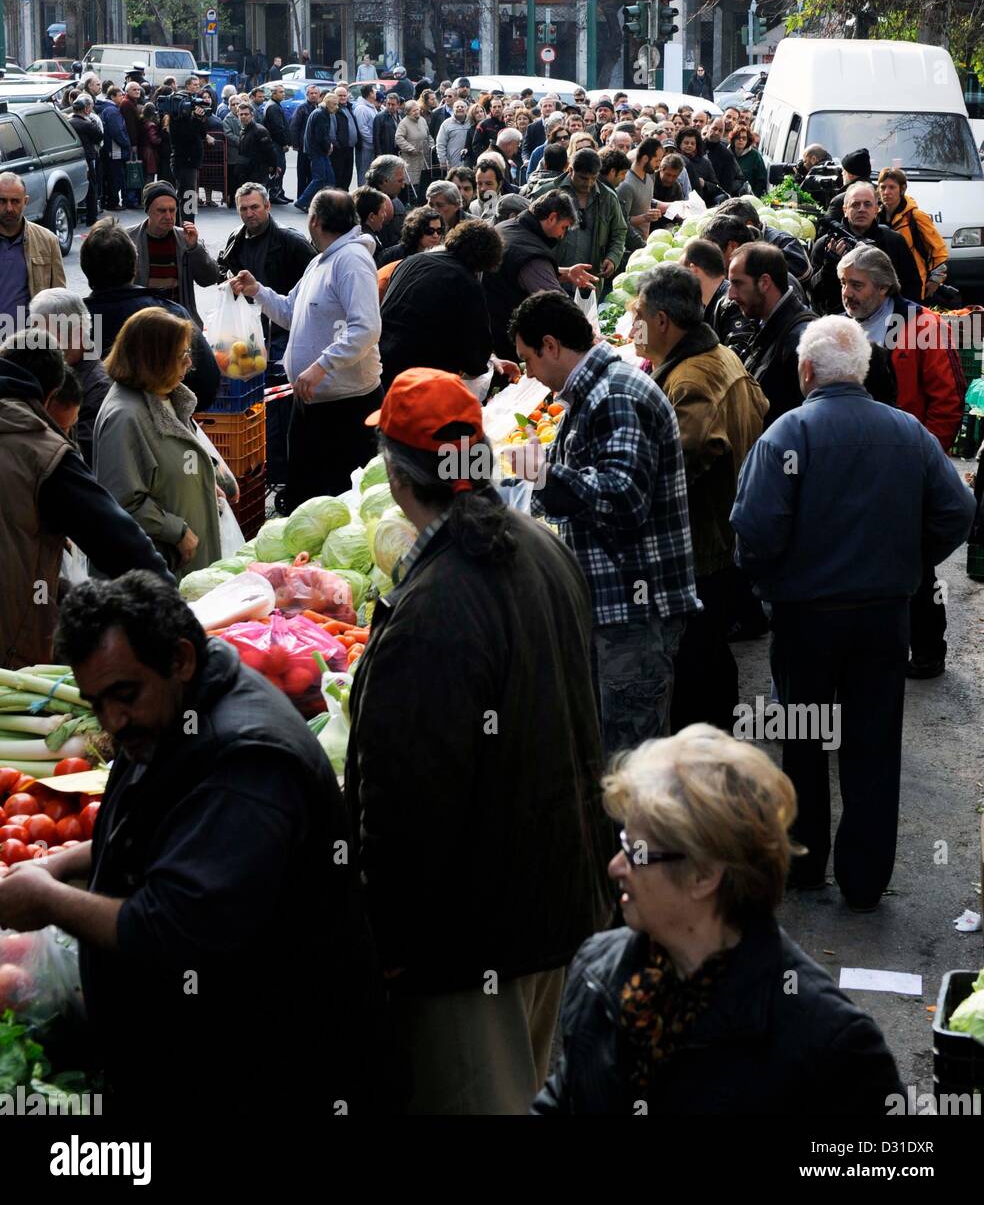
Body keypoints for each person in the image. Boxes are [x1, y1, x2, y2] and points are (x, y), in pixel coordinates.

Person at [0, 572, 395, 1114]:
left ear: (181, 659)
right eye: (97, 703)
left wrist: (46, 899)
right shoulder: (177, 715)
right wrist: (56, 864)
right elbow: (152, 828)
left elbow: (170, 929)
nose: (113, 720)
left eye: (125, 694)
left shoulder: (246, 760)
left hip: (277, 1080)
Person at [344, 369, 608, 1114]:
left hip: (475, 943)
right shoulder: (542, 546)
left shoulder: (432, 609)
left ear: (398, 477)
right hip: (554, 904)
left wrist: (389, 948)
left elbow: (405, 806)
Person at [532, 726, 906, 1114]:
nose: (615, 867)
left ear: (704, 875)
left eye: (636, 852)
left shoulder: (830, 1047)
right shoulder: (599, 971)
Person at [731, 317, 975, 911]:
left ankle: (806, 864)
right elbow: (957, 509)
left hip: (807, 617)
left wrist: (774, 585)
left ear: (806, 371)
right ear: (863, 370)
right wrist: (910, 565)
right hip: (880, 616)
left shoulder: (789, 434)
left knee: (806, 739)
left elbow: (755, 530)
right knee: (872, 742)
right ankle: (864, 880)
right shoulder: (908, 434)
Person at [507, 291, 699, 753]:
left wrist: (544, 475)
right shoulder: (591, 392)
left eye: (527, 358)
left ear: (551, 345)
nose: (528, 372)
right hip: (612, 606)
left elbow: (623, 496)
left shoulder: (614, 395)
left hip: (634, 613)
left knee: (630, 760)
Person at [631, 266, 767, 732]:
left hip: (704, 541)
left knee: (695, 658)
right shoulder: (719, 354)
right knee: (708, 650)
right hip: (725, 530)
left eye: (639, 317)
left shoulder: (691, 381)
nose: (633, 329)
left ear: (663, 320)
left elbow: (675, 470)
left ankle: (704, 758)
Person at [0, 334, 171, 668]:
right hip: (11, 654)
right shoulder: (41, 450)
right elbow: (121, 543)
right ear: (50, 394)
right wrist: (171, 603)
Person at [838, 244, 965, 678]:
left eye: (857, 285)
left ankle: (928, 648)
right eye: (843, 284)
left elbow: (948, 401)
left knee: (916, 564)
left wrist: (926, 459)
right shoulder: (843, 328)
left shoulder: (923, 327)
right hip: (858, 467)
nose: (847, 294)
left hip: (908, 464)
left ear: (885, 286)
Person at [229, 189, 382, 506]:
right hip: (311, 402)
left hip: (346, 407)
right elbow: (288, 311)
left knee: (343, 500)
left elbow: (366, 328)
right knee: (305, 496)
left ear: (314, 220)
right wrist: (257, 290)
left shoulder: (351, 261)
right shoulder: (319, 262)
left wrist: (321, 366)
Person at [94, 308, 238, 578]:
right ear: (154, 360)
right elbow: (121, 501)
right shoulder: (124, 417)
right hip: (160, 574)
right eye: (182, 355)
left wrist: (204, 481)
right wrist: (177, 531)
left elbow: (173, 463)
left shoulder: (163, 394)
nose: (190, 364)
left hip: (185, 569)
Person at [80, 219, 220, 413]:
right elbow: (207, 384)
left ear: (85, 267)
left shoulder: (70, 323)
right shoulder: (170, 315)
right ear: (134, 265)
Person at [379, 219, 511, 389]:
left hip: (382, 359)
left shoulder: (412, 261)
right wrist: (485, 364)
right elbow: (476, 350)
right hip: (422, 376)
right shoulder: (466, 282)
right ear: (487, 260)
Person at [483, 190, 593, 359]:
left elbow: (522, 274)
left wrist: (566, 272)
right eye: (563, 228)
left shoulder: (507, 226)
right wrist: (589, 335)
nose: (562, 235)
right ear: (551, 218)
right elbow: (558, 306)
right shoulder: (531, 255)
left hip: (489, 329)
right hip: (509, 343)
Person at [217, 182, 316, 368]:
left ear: (267, 206)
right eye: (243, 208)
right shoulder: (236, 237)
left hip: (282, 329)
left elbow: (315, 281)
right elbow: (222, 268)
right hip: (248, 328)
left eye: (254, 207)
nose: (249, 213)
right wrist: (228, 280)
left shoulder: (291, 241)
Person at [728, 241, 817, 427]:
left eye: (737, 284)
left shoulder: (800, 342)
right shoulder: (768, 325)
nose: (731, 294)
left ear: (764, 283)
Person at [28, 288, 110, 467]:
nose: (36, 343)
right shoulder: (47, 368)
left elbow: (82, 456)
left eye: (45, 335)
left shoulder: (98, 386)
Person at [810, 182, 921, 313]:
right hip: (841, 324)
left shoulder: (894, 240)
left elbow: (912, 287)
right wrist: (829, 267)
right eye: (855, 204)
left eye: (867, 204)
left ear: (876, 209)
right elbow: (814, 295)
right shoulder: (825, 245)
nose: (861, 209)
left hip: (888, 322)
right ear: (845, 210)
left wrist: (900, 320)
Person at [127, 181, 221, 327]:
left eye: (172, 210)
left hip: (180, 324)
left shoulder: (186, 239)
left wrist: (195, 248)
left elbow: (210, 278)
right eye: (161, 210)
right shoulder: (128, 239)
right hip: (141, 325)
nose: (168, 216)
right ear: (148, 211)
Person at [545, 149, 627, 296]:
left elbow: (619, 231)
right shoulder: (549, 193)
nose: (588, 184)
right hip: (552, 278)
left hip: (589, 282)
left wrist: (613, 258)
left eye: (593, 178)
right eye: (583, 178)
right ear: (570, 170)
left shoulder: (608, 198)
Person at [0, 171, 66, 326]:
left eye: (15, 201)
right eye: (2, 201)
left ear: (25, 201)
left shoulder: (47, 241)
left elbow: (60, 298)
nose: (9, 208)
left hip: (32, 342)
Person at [876, 166, 948, 303]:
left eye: (892, 187)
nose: (886, 192)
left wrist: (935, 280)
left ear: (902, 189)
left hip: (912, 286)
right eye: (883, 187)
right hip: (883, 286)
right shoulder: (875, 217)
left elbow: (939, 251)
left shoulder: (916, 216)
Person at [679, 236, 758, 359]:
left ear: (693, 270)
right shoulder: (705, 304)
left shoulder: (732, 304)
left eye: (680, 273)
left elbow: (740, 353)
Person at [167, 76, 212, 223]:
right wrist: (196, 119)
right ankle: (187, 227)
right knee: (189, 196)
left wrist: (199, 118)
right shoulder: (177, 120)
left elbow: (200, 133)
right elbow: (188, 136)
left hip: (190, 162)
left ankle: (184, 225)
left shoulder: (189, 118)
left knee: (186, 195)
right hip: (185, 162)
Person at [376, 206, 446, 298]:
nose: (436, 235)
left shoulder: (442, 257)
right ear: (416, 230)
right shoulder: (391, 255)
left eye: (439, 231)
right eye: (429, 231)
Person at [294, 92, 340, 211]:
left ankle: (328, 202)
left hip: (318, 151)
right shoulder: (321, 114)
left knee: (329, 178)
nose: (337, 107)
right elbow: (321, 136)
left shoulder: (321, 112)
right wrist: (328, 147)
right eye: (335, 104)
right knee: (320, 178)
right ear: (328, 103)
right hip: (317, 151)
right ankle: (303, 201)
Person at [617, 137, 665, 245]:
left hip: (645, 240)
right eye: (657, 161)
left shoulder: (650, 175)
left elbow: (645, 199)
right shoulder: (626, 185)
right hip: (630, 245)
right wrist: (645, 218)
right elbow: (621, 221)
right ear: (645, 159)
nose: (659, 165)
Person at [68, 96, 102, 227]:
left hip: (72, 158)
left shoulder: (68, 123)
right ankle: (91, 218)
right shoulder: (87, 124)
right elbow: (99, 136)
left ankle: (74, 219)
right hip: (87, 157)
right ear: (86, 109)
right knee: (91, 187)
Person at [366, 155, 409, 248]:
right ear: (384, 181)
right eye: (400, 181)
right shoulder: (363, 206)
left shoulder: (397, 202)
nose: (403, 186)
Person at [395, 98, 433, 200]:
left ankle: (422, 200)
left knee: (424, 179)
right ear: (408, 112)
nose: (417, 112)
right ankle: (412, 201)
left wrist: (431, 144)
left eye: (417, 109)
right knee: (413, 181)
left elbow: (428, 135)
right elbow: (398, 138)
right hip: (411, 157)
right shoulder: (404, 123)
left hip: (424, 155)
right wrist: (410, 148)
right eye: (414, 110)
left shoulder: (422, 120)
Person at [290, 83, 323, 197]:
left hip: (315, 147)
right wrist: (295, 144)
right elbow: (294, 126)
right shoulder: (302, 108)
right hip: (303, 146)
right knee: (303, 173)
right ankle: (301, 197)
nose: (313, 95)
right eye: (311, 93)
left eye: (315, 93)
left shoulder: (319, 107)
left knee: (313, 174)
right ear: (307, 95)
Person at [262, 83, 292, 203]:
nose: (283, 94)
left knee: (281, 168)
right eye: (281, 92)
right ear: (273, 94)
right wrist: (284, 143)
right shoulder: (273, 107)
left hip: (276, 143)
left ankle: (280, 192)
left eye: (283, 92)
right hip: (276, 144)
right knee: (278, 169)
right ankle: (275, 194)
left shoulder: (275, 105)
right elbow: (277, 128)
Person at [702, 118, 746, 198]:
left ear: (723, 134)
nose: (716, 133)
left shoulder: (726, 155)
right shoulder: (697, 146)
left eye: (720, 131)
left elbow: (726, 186)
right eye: (714, 129)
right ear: (708, 128)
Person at [331, 83, 359, 191]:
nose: (343, 98)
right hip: (339, 149)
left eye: (344, 95)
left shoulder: (349, 108)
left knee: (347, 175)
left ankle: (344, 196)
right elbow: (332, 132)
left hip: (349, 148)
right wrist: (338, 144)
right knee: (339, 175)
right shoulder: (334, 110)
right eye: (340, 96)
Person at [354, 185, 393, 257]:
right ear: (371, 216)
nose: (385, 215)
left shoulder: (357, 234)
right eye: (382, 211)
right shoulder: (368, 242)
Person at [730, 124, 768, 197]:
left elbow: (761, 180)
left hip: (748, 197)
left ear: (748, 141)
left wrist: (754, 196)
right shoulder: (726, 153)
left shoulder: (755, 156)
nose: (741, 140)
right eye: (738, 137)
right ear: (733, 138)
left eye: (744, 138)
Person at [522, 94, 559, 164]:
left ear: (554, 108)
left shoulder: (560, 126)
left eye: (550, 106)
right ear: (541, 109)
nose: (548, 108)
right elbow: (526, 149)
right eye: (545, 106)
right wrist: (526, 160)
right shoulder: (532, 128)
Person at [352, 83, 377, 185]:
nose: (376, 92)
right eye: (374, 90)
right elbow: (362, 129)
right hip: (365, 147)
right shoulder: (361, 108)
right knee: (364, 171)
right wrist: (373, 140)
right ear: (370, 93)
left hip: (372, 146)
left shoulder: (371, 106)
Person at [137, 101, 162, 187]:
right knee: (149, 179)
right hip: (150, 154)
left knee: (143, 178)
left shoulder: (141, 122)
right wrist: (162, 138)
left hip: (141, 151)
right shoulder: (151, 125)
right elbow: (154, 140)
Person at [372, 92, 402, 159]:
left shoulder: (400, 116)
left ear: (398, 105)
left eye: (393, 104)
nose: (390, 107)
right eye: (388, 104)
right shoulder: (379, 117)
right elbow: (376, 137)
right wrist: (378, 154)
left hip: (397, 151)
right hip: (385, 152)